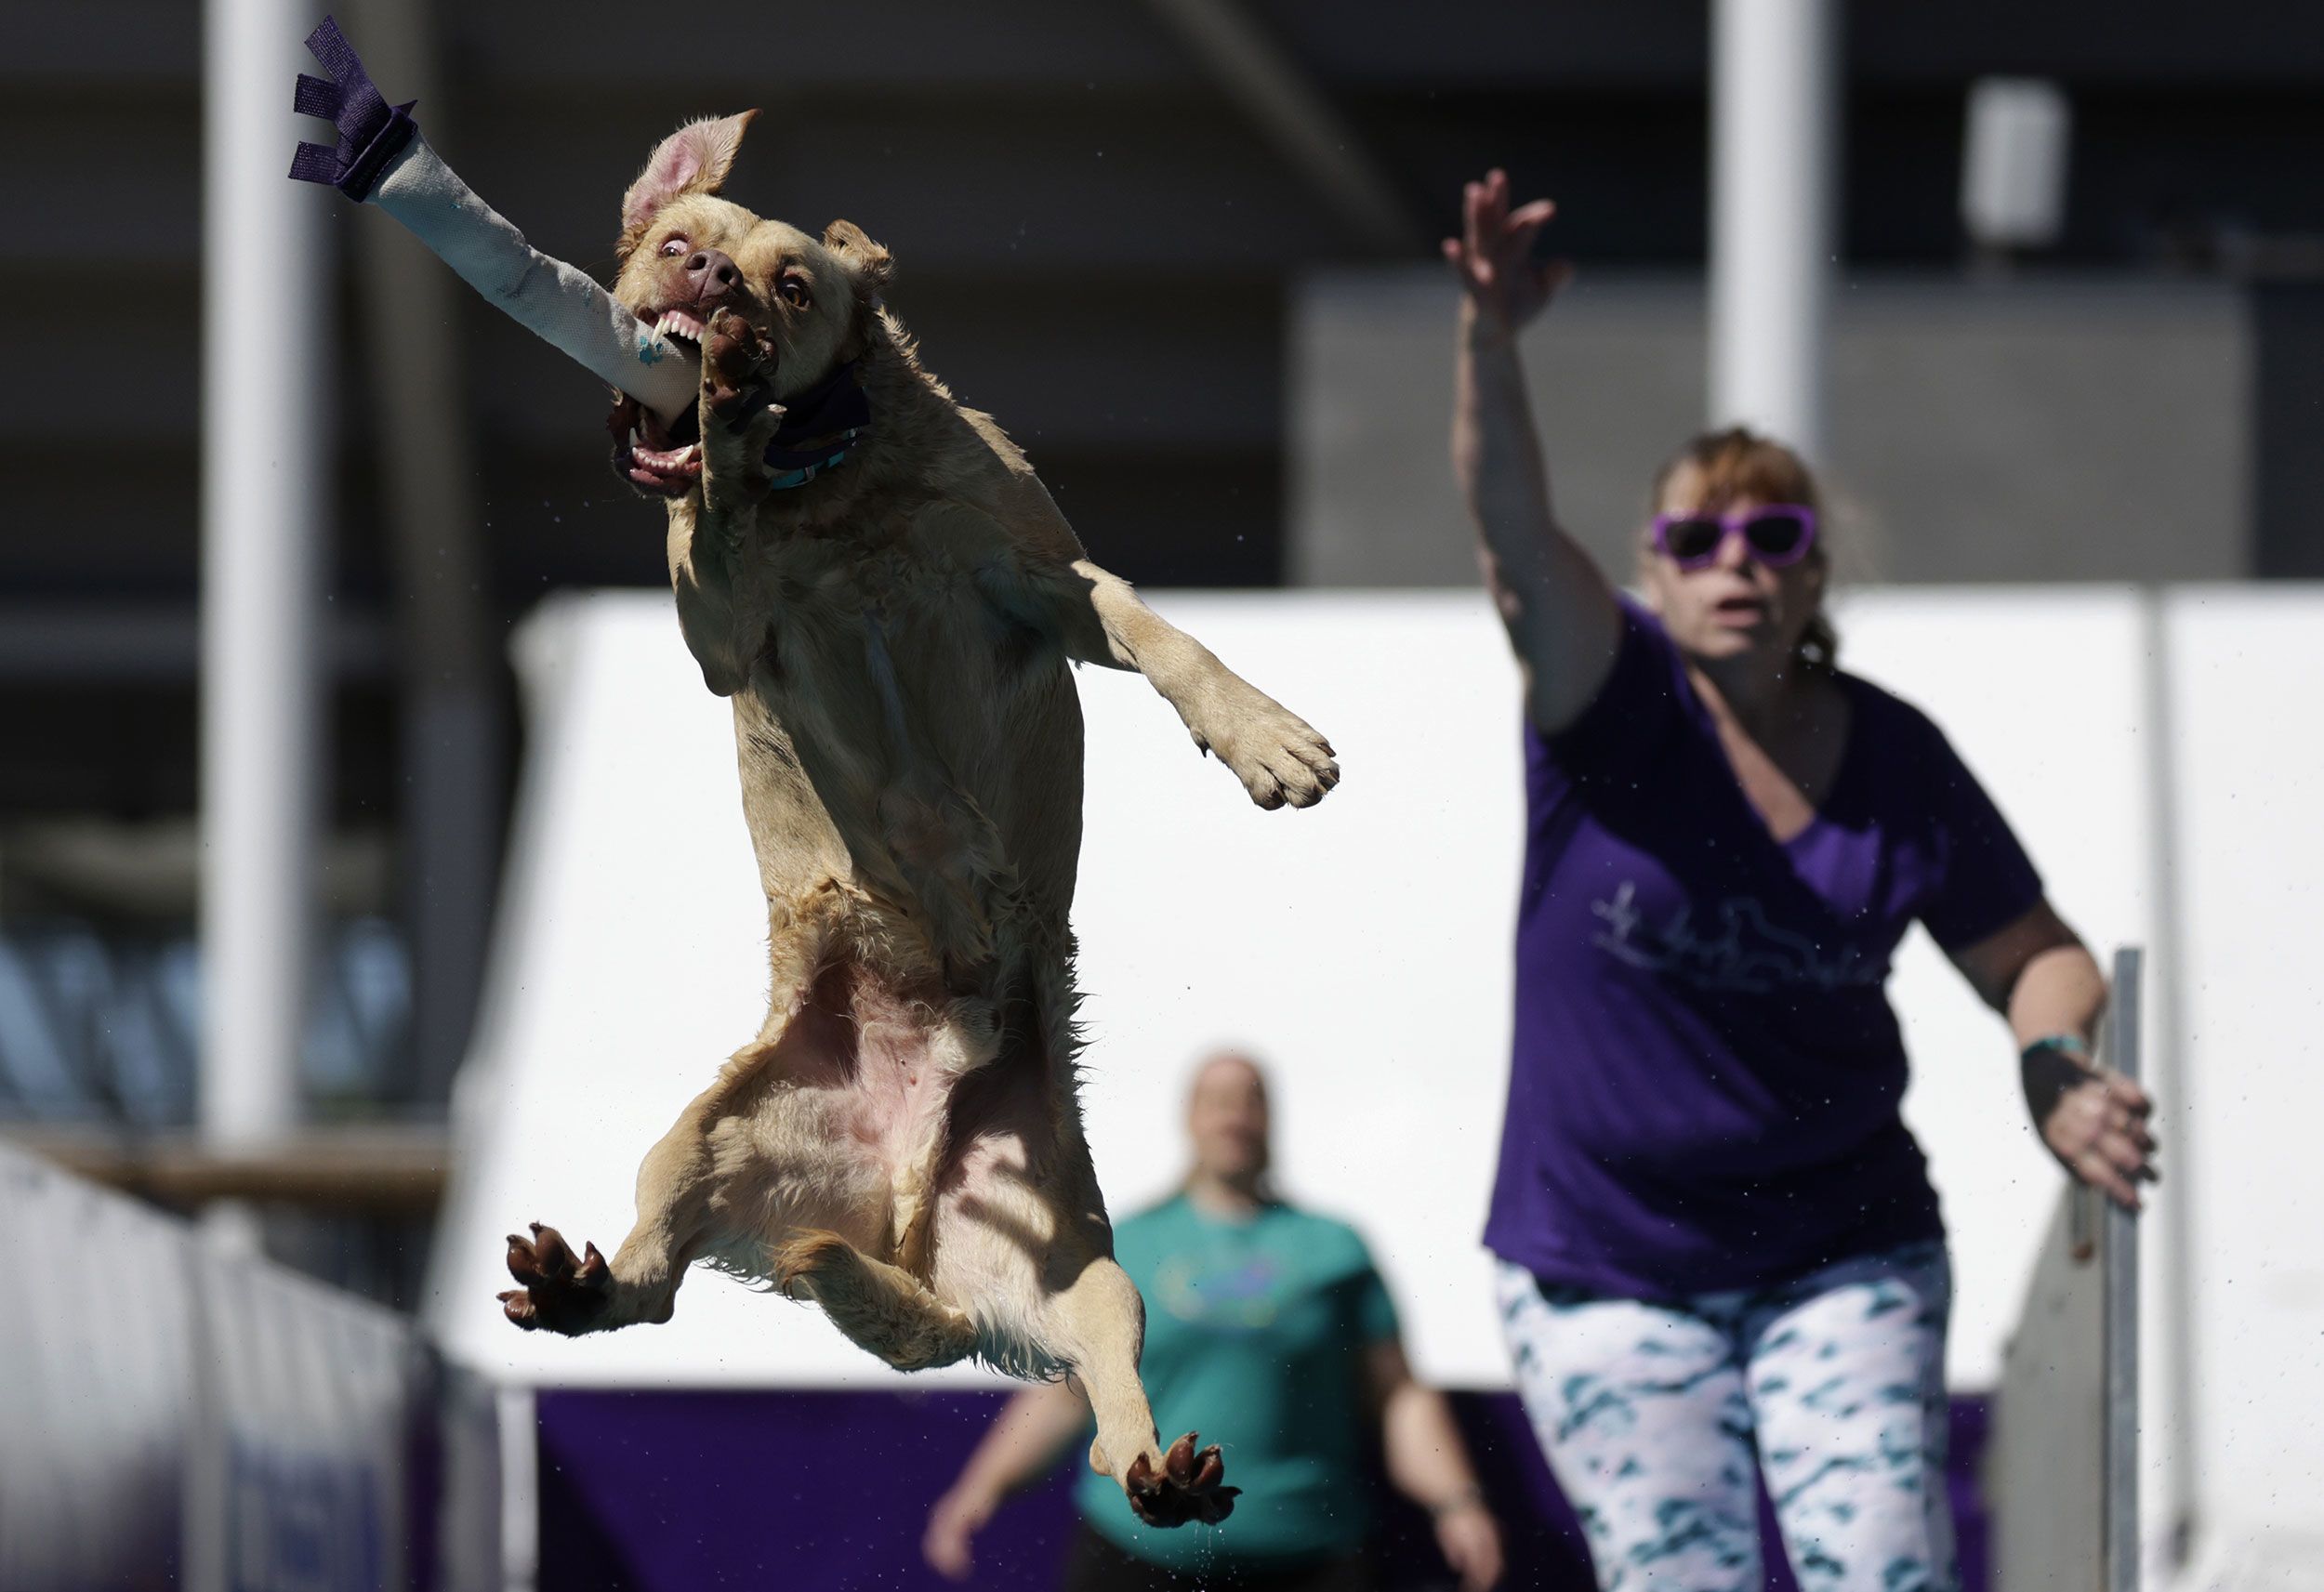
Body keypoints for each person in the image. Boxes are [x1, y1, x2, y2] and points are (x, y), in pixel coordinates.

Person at [1441, 170, 2159, 1592]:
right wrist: (1490, 342)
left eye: (1773, 538)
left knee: (1883, 1576)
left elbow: (2036, 954)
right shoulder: (1611, 699)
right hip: (1604, 1261)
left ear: (1816, 574)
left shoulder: (1896, 760)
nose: (1735, 565)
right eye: (1696, 539)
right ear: (1654, 569)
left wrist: (2054, 1068)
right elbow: (1519, 537)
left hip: (1842, 1249)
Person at [923, 1051, 1505, 1592]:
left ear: (1271, 1119)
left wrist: (1457, 1500)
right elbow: (1070, 1394)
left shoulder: (1335, 1248)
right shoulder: (1127, 1243)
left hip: (1309, 1558)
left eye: (1250, 1097)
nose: (1233, 1114)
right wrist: (982, 1486)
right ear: (1190, 1118)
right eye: (1216, 1098)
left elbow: (1399, 1395)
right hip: (1137, 1556)